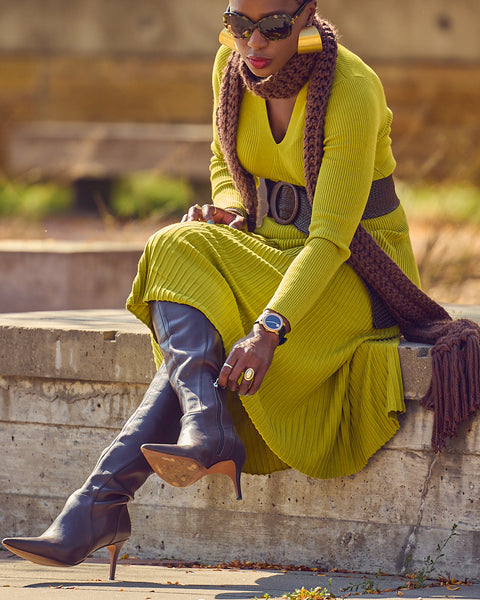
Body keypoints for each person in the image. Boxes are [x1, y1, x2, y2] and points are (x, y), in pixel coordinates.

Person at [6, 0, 477, 583]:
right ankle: (200, 425)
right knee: (175, 243)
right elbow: (226, 167)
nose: (254, 43)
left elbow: (330, 239)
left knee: (208, 318)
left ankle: (102, 501)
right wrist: (229, 211)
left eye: (273, 26)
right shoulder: (231, 67)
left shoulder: (352, 87)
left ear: (306, 16)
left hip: (357, 272)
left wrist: (269, 329)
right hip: (270, 248)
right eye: (239, 24)